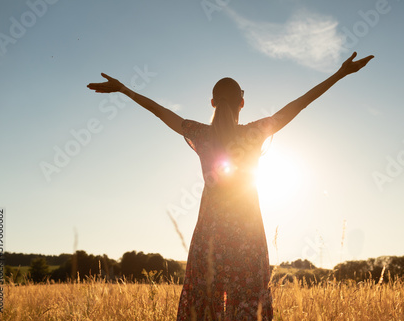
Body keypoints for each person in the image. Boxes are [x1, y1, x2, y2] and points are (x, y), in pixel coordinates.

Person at [87, 51, 374, 320]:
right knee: (248, 301)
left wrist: (125, 90)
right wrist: (339, 75)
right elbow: (298, 104)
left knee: (205, 300)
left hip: (209, 234)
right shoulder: (254, 133)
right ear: (242, 102)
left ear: (212, 103)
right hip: (247, 234)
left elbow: (160, 112)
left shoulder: (200, 134)